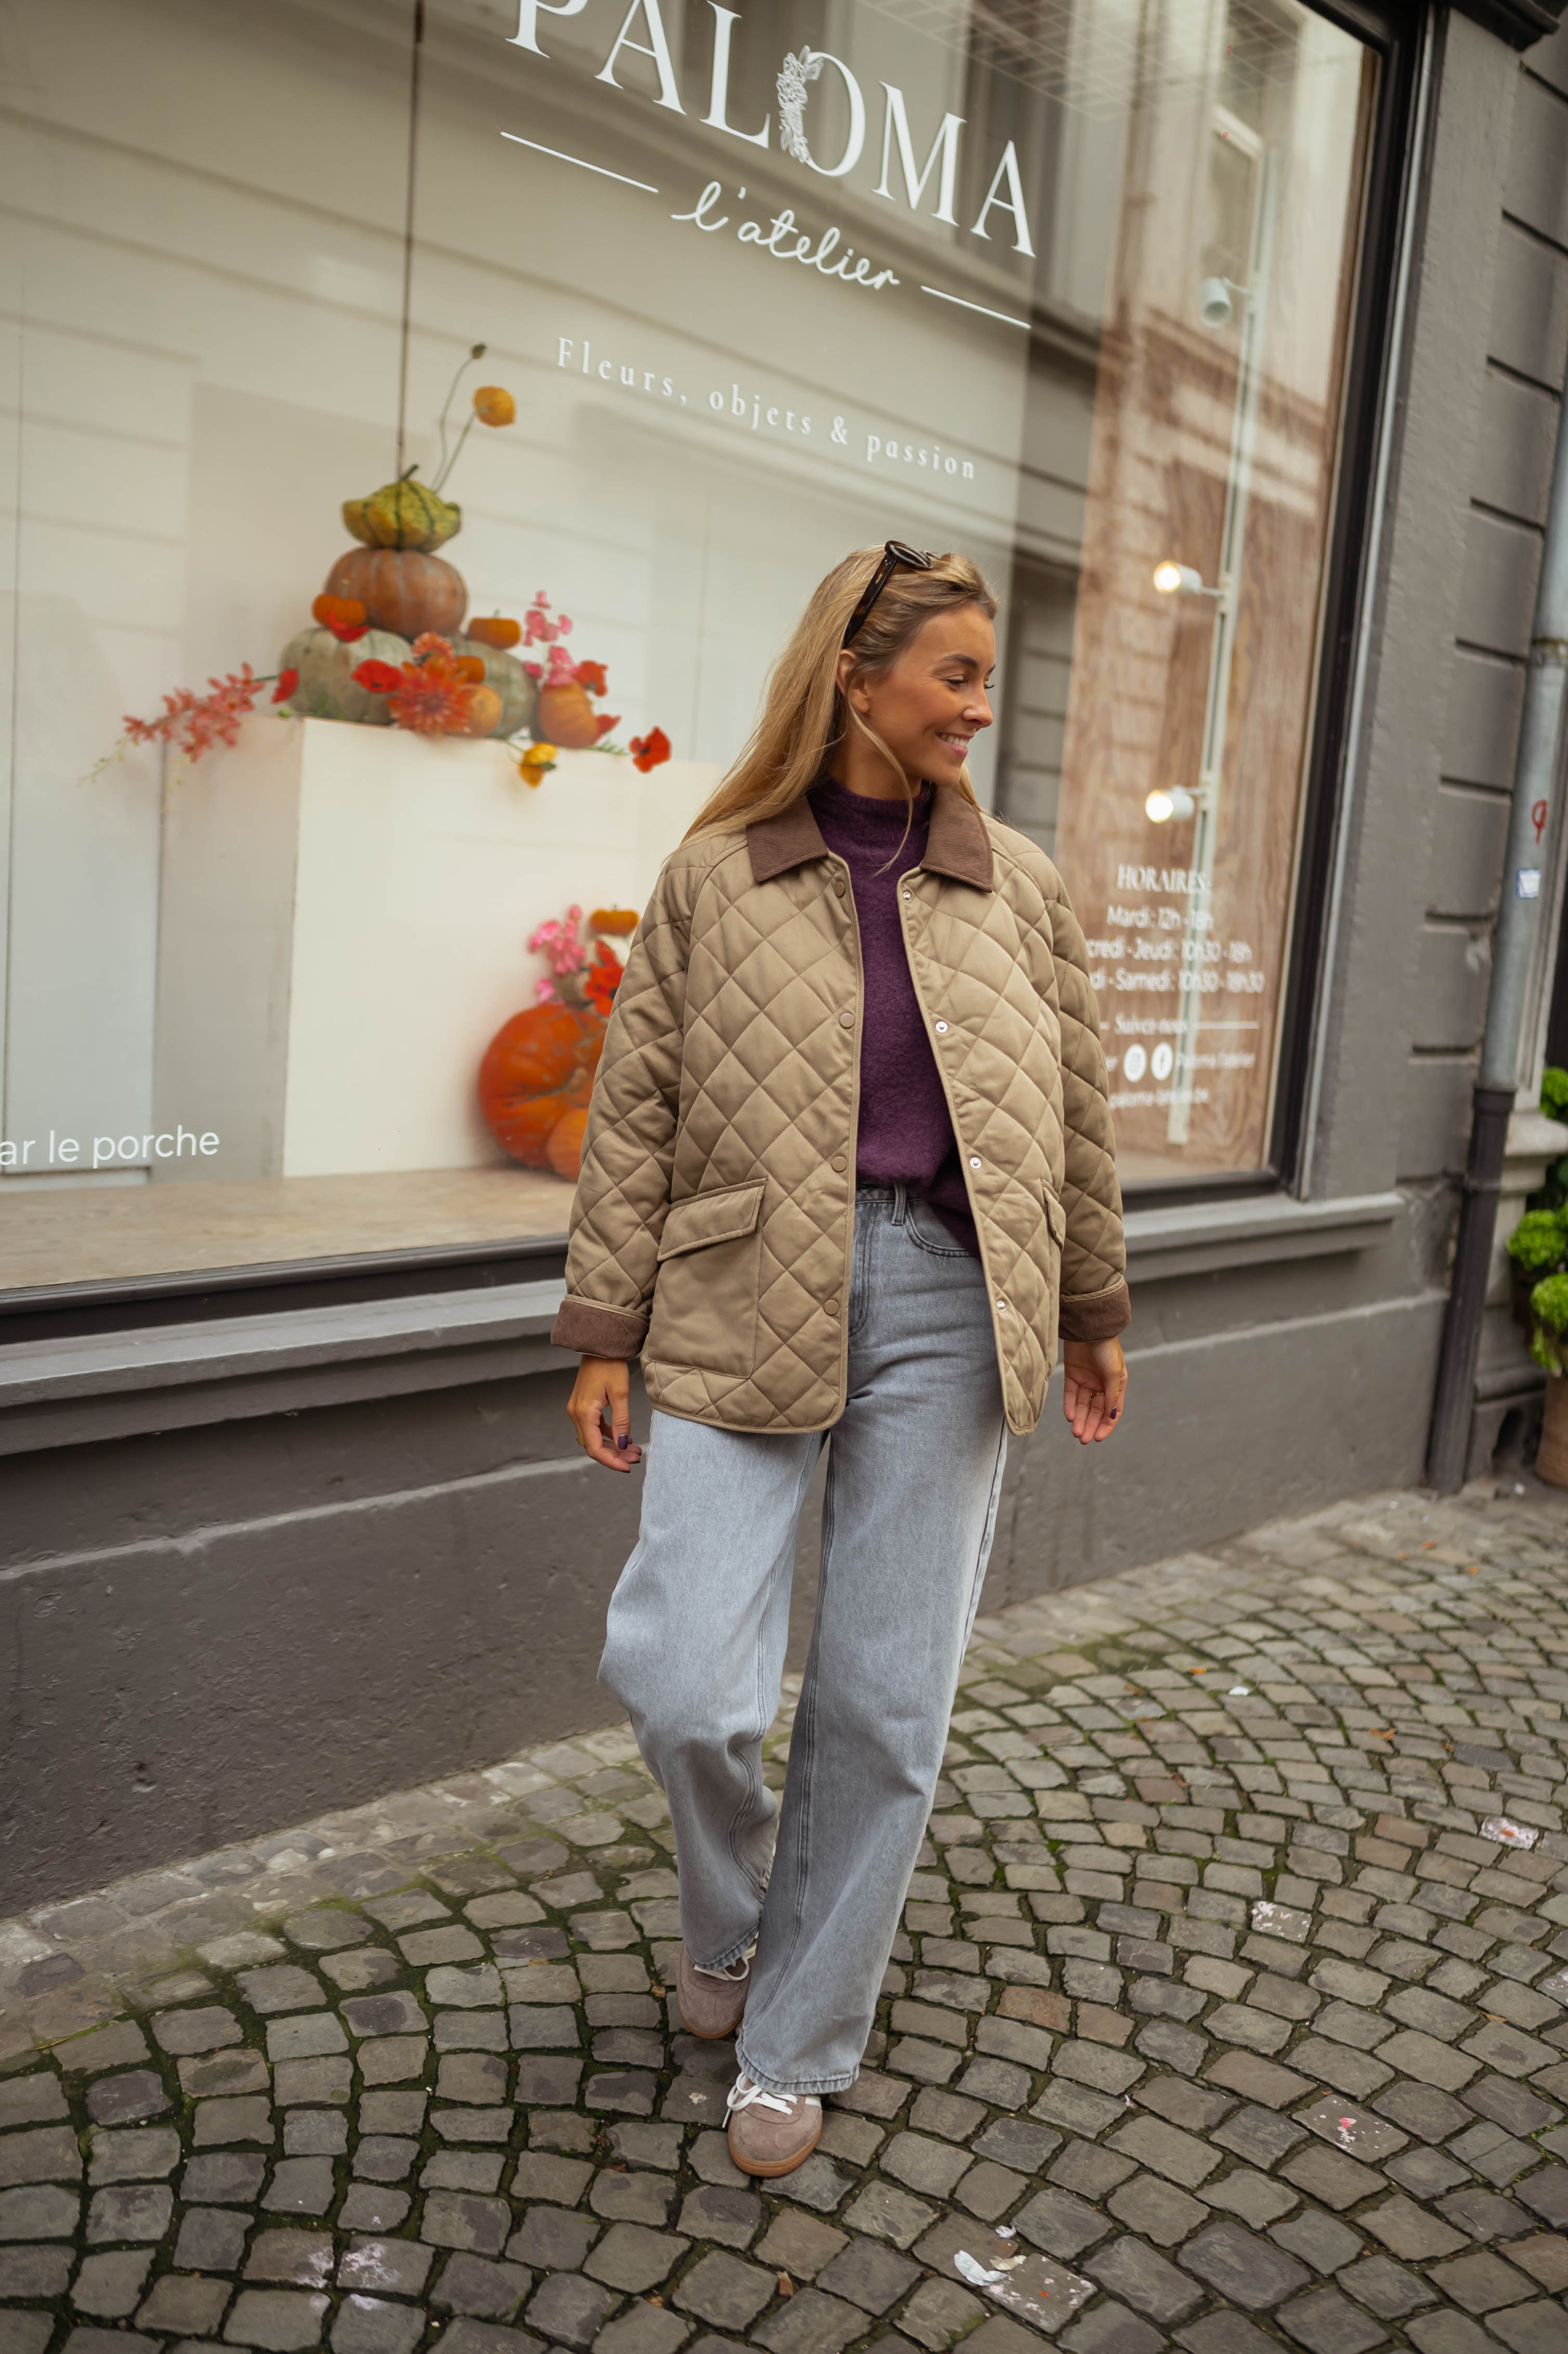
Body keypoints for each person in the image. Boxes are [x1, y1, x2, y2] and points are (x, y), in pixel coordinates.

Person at [552, 542, 1129, 2178]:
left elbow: (1076, 1123)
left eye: (983, 673)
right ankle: (731, 1918)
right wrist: (604, 1332)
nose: (978, 703)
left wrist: (1093, 1310)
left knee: (883, 1705)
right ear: (855, 680)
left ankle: (798, 2038)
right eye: (952, 673)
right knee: (683, 1680)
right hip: (738, 1286)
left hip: (953, 1299)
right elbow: (637, 1114)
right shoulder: (716, 872)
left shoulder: (1019, 884)